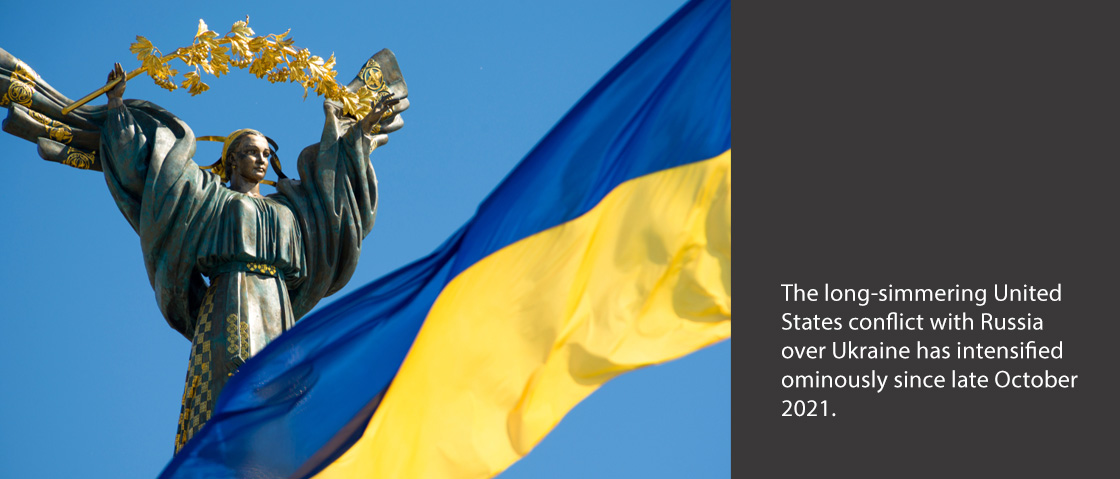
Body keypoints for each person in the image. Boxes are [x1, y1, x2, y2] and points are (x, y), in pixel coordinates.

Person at [94, 61, 407, 453]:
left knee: (279, 391)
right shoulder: (210, 199)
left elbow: (335, 196)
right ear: (233, 160)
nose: (260, 159)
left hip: (277, 305)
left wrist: (357, 131)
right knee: (228, 382)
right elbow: (154, 174)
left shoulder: (292, 208)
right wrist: (117, 108)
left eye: (264, 153)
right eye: (250, 152)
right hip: (228, 297)